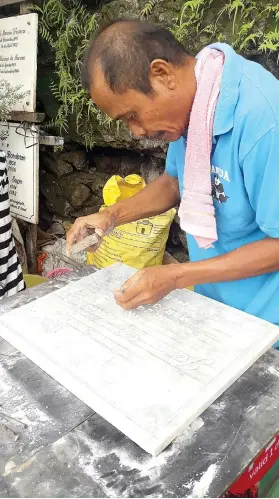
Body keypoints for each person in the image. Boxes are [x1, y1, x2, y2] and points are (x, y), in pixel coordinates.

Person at [66, 19, 279, 334]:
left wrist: (177, 276)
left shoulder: (263, 119)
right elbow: (174, 183)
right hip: (218, 308)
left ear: (162, 74)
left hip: (267, 325)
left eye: (132, 116)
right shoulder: (197, 104)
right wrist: (109, 215)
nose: (137, 132)